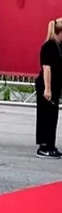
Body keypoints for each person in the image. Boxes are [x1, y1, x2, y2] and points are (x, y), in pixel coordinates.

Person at [35, 19, 62, 158]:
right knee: (45, 115)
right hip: (46, 85)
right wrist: (47, 88)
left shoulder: (59, 46)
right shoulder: (49, 46)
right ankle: (43, 146)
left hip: (56, 86)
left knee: (53, 116)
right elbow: (47, 68)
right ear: (59, 32)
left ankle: (51, 145)